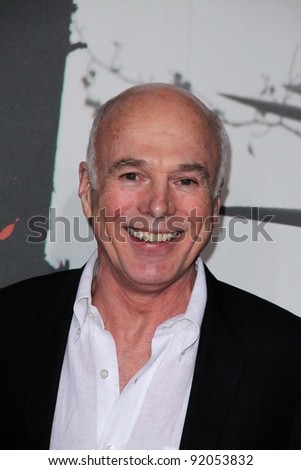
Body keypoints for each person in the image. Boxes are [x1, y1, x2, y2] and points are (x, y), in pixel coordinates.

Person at [1, 83, 301, 450]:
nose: (158, 206)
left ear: (214, 204)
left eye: (186, 180)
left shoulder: (287, 360)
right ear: (87, 189)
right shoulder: (8, 324)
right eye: (131, 175)